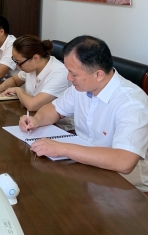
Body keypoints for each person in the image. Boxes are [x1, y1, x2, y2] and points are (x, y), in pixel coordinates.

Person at [19, 35, 148, 191]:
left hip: (124, 181)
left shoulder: (132, 103)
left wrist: (63, 148)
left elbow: (124, 162)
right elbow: (54, 109)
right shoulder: (81, 87)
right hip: (84, 165)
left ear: (98, 74)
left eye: (73, 74)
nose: (68, 78)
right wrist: (36, 120)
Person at [0, 35, 70, 111]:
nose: (17, 66)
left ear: (35, 58)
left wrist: (18, 90)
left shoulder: (59, 74)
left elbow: (32, 105)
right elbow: (15, 80)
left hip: (56, 120)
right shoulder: (34, 66)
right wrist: (1, 87)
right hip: (33, 115)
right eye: (15, 61)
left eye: (19, 62)